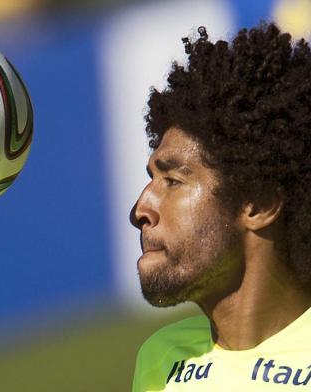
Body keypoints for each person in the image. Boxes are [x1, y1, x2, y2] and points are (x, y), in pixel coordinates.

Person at [130, 22, 311, 391]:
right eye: (151, 179)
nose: (140, 209)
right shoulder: (162, 359)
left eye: (173, 181)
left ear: (258, 205)